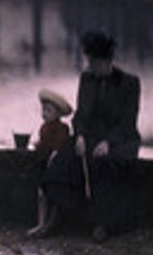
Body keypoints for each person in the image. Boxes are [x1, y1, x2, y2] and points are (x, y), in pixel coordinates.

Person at [40, 30, 141, 241]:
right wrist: (80, 136)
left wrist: (108, 142)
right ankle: (55, 218)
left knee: (106, 164)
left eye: (96, 63)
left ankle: (103, 223)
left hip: (121, 139)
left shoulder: (129, 83)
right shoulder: (87, 79)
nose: (92, 67)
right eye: (90, 62)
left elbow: (128, 121)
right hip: (90, 137)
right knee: (64, 158)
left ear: (108, 61)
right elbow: (81, 115)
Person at [26, 89, 73, 238]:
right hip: (42, 163)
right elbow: (43, 143)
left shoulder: (62, 128)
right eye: (43, 110)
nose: (44, 113)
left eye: (49, 110)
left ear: (58, 114)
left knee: (52, 194)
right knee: (41, 194)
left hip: (54, 166)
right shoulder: (44, 127)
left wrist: (53, 154)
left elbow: (58, 147)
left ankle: (49, 224)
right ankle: (40, 223)